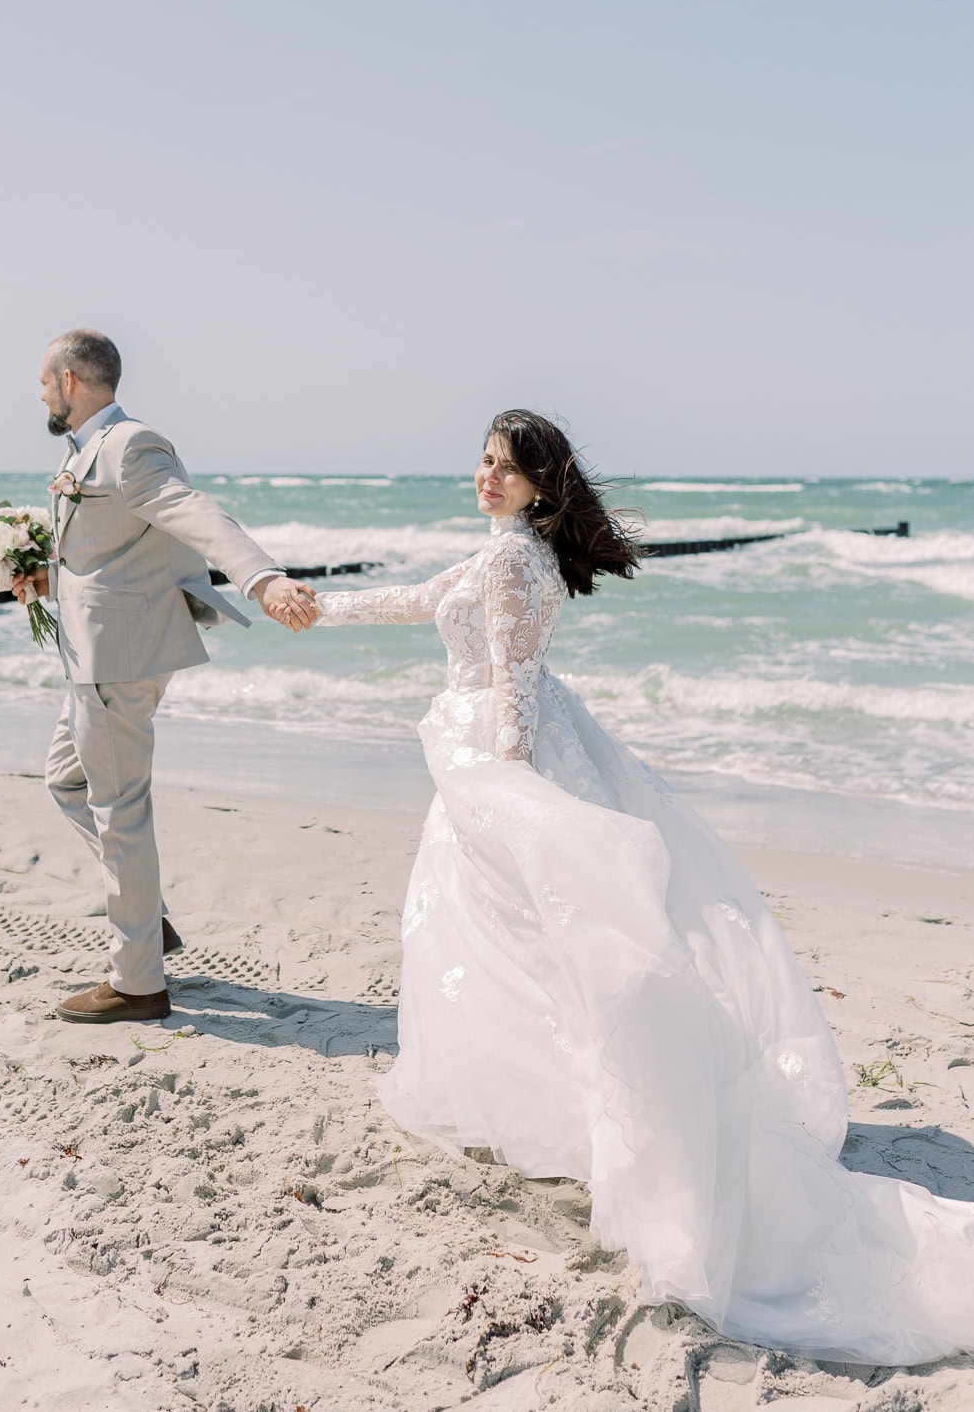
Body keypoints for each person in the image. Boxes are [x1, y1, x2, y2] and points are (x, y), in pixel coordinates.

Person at [314, 408, 974, 1363]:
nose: (488, 476)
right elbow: (422, 597)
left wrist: (509, 800)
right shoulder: (508, 551)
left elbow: (512, 691)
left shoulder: (513, 563)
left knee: (531, 943)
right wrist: (318, 606)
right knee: (519, 947)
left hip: (501, 761)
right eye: (484, 461)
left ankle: (601, 1120)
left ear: (541, 483)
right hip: (498, 754)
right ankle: (567, 1109)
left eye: (507, 467)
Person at [14, 328, 317, 1025]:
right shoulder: (83, 451)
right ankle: (146, 916)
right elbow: (113, 550)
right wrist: (47, 579)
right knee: (65, 779)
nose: (40, 394)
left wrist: (263, 578)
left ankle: (137, 982)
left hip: (118, 660)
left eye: (43, 381)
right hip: (97, 653)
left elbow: (194, 513)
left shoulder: (130, 445)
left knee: (119, 810)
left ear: (68, 381)